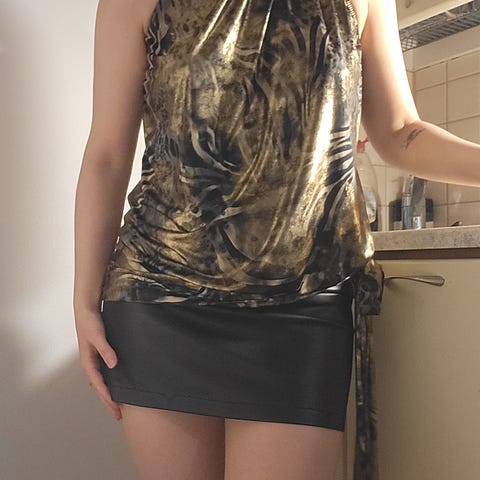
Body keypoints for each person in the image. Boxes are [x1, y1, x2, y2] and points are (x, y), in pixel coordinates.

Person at [73, 0, 480, 479]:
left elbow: (399, 132)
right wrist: (84, 301)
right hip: (159, 292)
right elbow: (107, 155)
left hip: (305, 300)